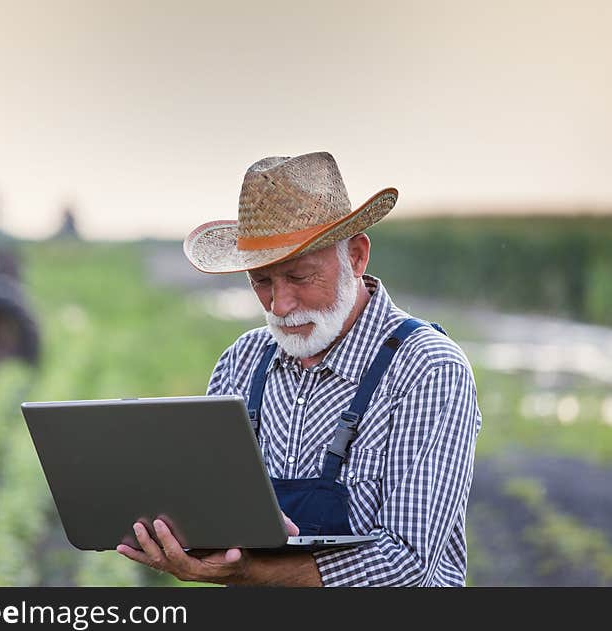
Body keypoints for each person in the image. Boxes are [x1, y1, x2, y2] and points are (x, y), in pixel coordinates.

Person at [116, 151, 482, 586]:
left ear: (357, 256)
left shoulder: (426, 368)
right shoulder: (242, 361)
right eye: (262, 282)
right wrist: (186, 541)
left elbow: (408, 563)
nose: (279, 305)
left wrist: (253, 571)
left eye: (300, 277)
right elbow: (213, 514)